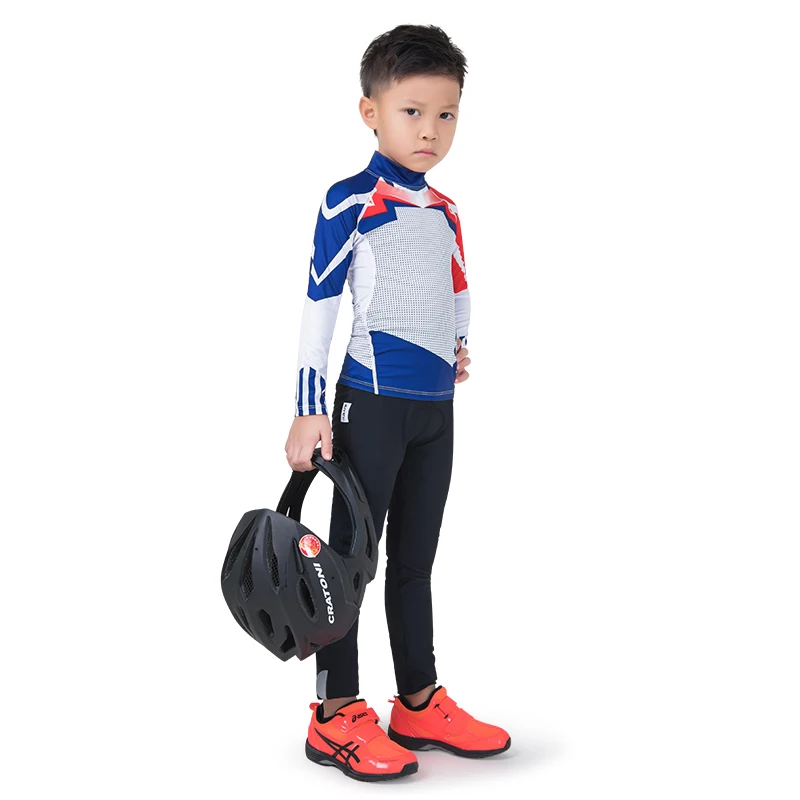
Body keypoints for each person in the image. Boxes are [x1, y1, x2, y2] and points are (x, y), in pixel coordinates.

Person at [284, 23, 510, 782]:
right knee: (348, 564)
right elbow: (320, 304)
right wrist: (309, 407)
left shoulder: (445, 208)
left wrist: (458, 344)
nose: (430, 130)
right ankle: (335, 714)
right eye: (412, 112)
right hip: (369, 405)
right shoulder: (349, 200)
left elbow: (456, 284)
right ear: (370, 112)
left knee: (415, 561)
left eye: (446, 114)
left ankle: (417, 701)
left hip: (435, 407)